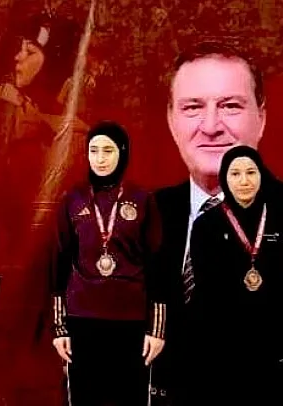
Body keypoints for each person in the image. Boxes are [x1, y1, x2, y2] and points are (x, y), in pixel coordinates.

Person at [152, 41, 267, 405]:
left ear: (262, 118)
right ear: (171, 120)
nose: (212, 126)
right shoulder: (142, 215)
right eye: (192, 107)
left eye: (231, 106)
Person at [51, 121, 167, 406]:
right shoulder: (72, 199)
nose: (100, 158)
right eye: (94, 151)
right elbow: (60, 262)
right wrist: (60, 328)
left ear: (122, 152)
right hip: (82, 319)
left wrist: (156, 329)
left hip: (131, 321)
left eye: (108, 150)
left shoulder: (142, 200)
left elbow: (157, 266)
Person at [187, 145, 283, 405]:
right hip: (223, 342)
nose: (244, 181)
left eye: (251, 172)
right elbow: (207, 287)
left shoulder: (278, 217)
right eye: (235, 173)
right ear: (224, 179)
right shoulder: (206, 224)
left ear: (261, 175)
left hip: (272, 341)